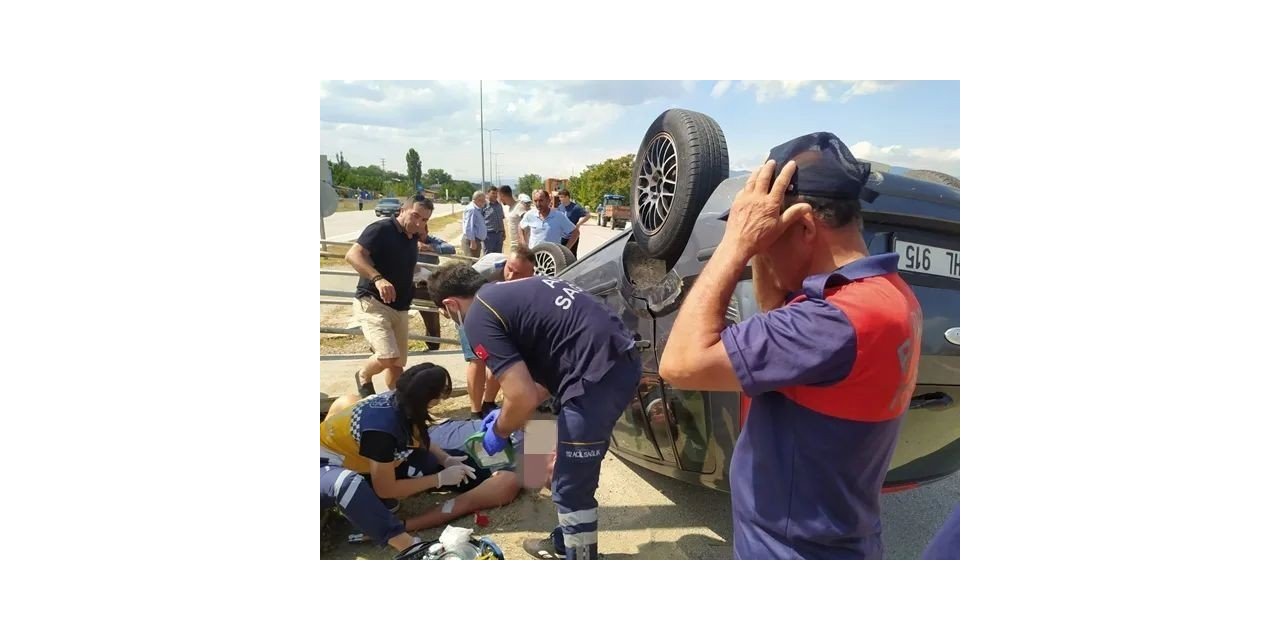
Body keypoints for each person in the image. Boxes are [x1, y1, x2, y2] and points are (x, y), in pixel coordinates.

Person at [659, 133, 923, 560]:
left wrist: (736, 246)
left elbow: (681, 364)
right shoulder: (886, 295)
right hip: (834, 537)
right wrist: (765, 250)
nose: (760, 244)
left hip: (791, 550)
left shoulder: (833, 322)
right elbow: (773, 313)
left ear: (802, 226)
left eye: (770, 234)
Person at [426, 262, 641, 559]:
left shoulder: (478, 315)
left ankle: (579, 558)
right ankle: (567, 540)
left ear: (450, 304)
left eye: (446, 314)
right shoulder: (513, 290)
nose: (452, 319)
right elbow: (539, 384)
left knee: (569, 484)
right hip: (613, 364)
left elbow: (523, 396)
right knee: (569, 465)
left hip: (594, 379)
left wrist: (499, 431)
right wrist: (505, 411)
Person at [321, 363, 521, 536]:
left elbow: (419, 434)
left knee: (431, 462)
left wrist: (445, 459)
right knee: (506, 482)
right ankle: (386, 511)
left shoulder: (400, 400)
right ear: (430, 400)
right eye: (440, 398)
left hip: (362, 452)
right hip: (336, 466)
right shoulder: (381, 430)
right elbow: (386, 488)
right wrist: (439, 479)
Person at [345, 194, 434, 397]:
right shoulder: (381, 230)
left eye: (425, 220)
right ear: (403, 210)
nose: (419, 223)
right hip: (373, 302)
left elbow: (405, 266)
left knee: (397, 365)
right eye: (415, 216)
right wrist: (378, 278)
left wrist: (430, 278)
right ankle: (363, 376)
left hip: (401, 307)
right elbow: (352, 255)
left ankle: (398, 404)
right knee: (387, 356)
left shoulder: (411, 238)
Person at [458, 247, 535, 419]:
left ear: (531, 273)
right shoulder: (485, 272)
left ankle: (489, 402)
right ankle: (475, 411)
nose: (511, 276)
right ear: (506, 262)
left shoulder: (531, 283)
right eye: (510, 269)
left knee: (498, 357)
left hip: (499, 316)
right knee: (477, 359)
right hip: (469, 312)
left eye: (519, 274)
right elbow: (458, 292)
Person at [413, 233, 456, 351]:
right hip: (407, 285)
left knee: (431, 320)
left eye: (422, 232)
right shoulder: (406, 240)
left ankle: (433, 347)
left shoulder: (432, 240)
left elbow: (451, 249)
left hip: (425, 286)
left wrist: (429, 248)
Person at [555, 189, 589, 254]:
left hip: (572, 236)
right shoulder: (560, 207)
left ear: (567, 197)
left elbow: (588, 215)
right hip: (561, 237)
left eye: (561, 197)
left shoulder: (576, 208)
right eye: (559, 197)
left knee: (571, 255)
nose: (560, 199)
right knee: (561, 255)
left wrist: (578, 224)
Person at [499, 186, 529, 252]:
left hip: (520, 246)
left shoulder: (519, 207)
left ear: (502, 195)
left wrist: (523, 241)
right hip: (514, 245)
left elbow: (527, 224)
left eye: (499, 197)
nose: (500, 199)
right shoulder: (510, 208)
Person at [461, 191, 488, 257]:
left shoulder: (477, 209)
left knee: (475, 263)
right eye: (483, 200)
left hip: (476, 240)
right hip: (471, 240)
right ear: (478, 200)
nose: (484, 202)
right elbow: (469, 227)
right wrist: (472, 241)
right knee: (471, 262)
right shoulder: (472, 210)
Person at [482, 186, 506, 254]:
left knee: (498, 256)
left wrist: (503, 232)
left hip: (499, 235)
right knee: (488, 256)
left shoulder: (499, 205)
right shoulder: (484, 205)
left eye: (496, 193)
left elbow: (501, 220)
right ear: (488, 194)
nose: (495, 195)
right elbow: (480, 221)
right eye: (493, 193)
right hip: (489, 235)